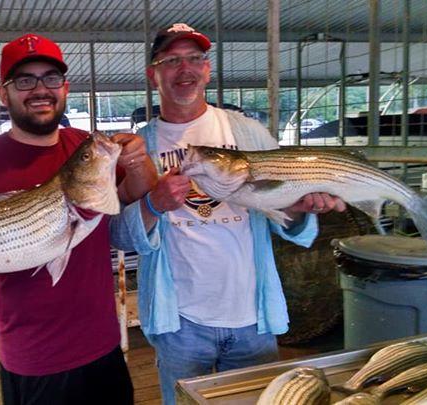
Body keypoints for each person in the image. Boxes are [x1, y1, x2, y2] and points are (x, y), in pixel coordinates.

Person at [109, 23, 346, 404]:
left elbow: (288, 219)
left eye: (194, 59)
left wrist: (299, 209)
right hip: (179, 322)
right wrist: (153, 204)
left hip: (252, 316)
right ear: (154, 74)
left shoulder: (248, 133)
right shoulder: (139, 149)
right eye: (171, 60)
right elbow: (119, 234)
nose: (184, 70)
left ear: (208, 69)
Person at [0, 33, 155, 404]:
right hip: (33, 357)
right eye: (25, 80)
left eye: (50, 78)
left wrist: (138, 160)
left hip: (104, 346)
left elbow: (137, 193)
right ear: (4, 93)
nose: (40, 89)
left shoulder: (86, 148)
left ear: (65, 88)